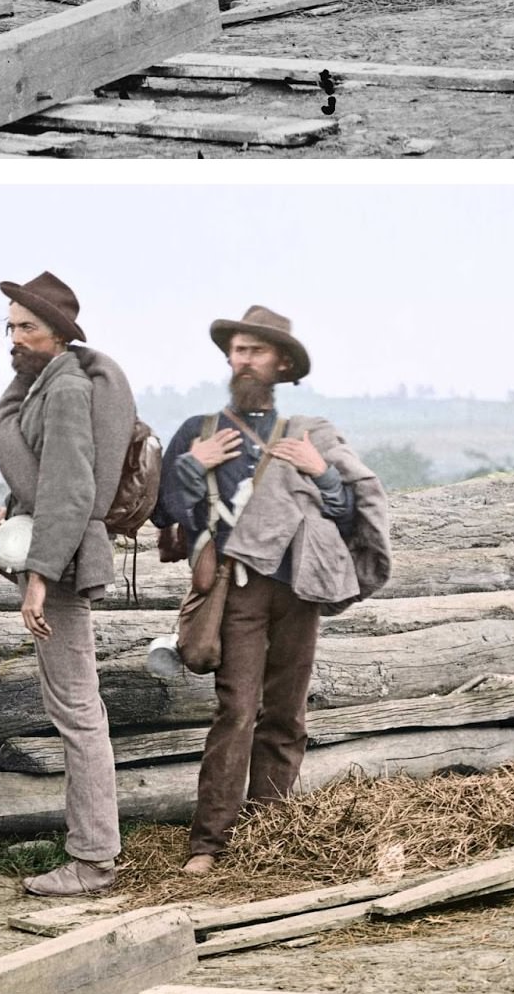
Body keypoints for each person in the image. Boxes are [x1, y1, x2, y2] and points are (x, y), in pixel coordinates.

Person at [154, 305, 391, 874]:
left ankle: (272, 836)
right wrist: (192, 466)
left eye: (256, 351)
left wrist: (322, 472)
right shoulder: (199, 432)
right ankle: (208, 844)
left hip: (299, 589)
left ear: (281, 364)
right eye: (237, 350)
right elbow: (166, 512)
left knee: (286, 713)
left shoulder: (309, 437)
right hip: (236, 589)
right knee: (236, 710)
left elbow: (343, 512)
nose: (244, 360)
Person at [0, 272, 135, 895]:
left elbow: (71, 492)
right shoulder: (38, 382)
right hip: (30, 532)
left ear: (59, 334)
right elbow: (37, 475)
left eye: (27, 328)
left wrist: (38, 580)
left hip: (61, 556)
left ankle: (94, 859)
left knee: (76, 710)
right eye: (10, 326)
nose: (13, 337)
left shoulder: (67, 389)